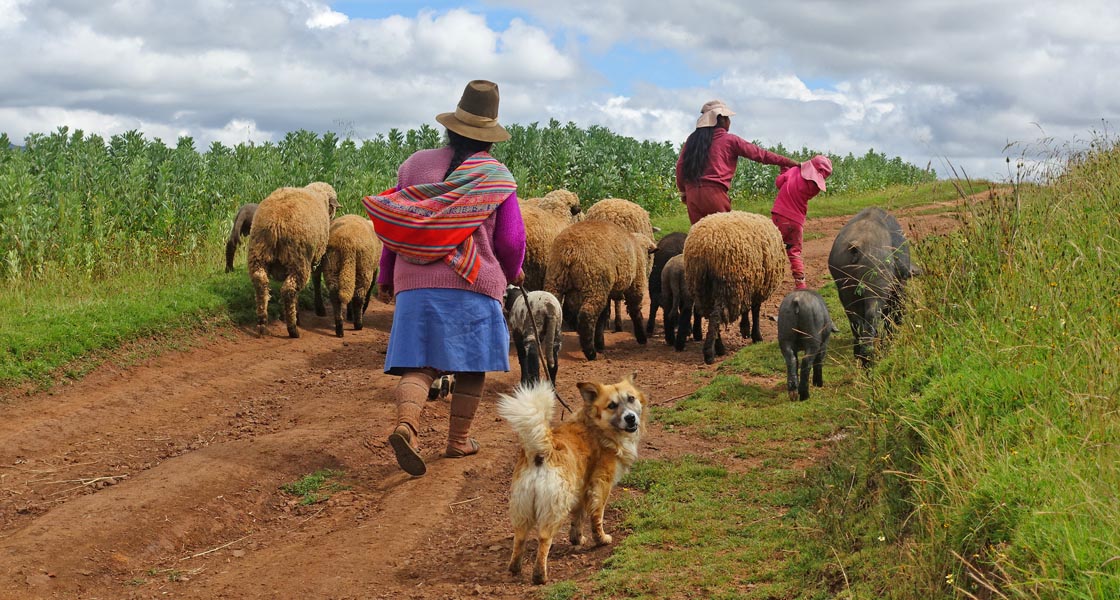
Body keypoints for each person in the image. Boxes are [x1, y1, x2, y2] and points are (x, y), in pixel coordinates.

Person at [363, 80, 526, 477]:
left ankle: (407, 425)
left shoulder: (414, 165)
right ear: (490, 134)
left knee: (418, 364)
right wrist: (513, 271)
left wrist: (386, 273)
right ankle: (458, 442)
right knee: (471, 366)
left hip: (415, 281)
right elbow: (510, 238)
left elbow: (398, 226)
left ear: (451, 126)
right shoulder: (495, 176)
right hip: (473, 282)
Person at [675, 100, 800, 225]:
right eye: (728, 118)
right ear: (722, 120)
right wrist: (790, 162)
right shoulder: (730, 140)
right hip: (715, 195)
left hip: (692, 195)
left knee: (699, 237)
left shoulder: (692, 140)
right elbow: (761, 155)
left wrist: (684, 192)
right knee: (725, 236)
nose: (729, 121)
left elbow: (680, 167)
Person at [771, 154, 833, 289]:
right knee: (794, 251)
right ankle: (801, 284)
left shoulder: (794, 171)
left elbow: (779, 183)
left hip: (780, 216)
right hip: (797, 222)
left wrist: (783, 171)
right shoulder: (815, 188)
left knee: (772, 247)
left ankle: (768, 279)